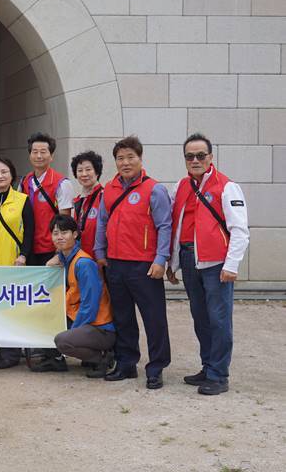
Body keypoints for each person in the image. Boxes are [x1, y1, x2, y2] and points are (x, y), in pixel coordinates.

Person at [167, 133, 249, 396]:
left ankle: (219, 375)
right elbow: (176, 226)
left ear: (211, 157)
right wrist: (172, 263)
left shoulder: (227, 186)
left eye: (200, 155)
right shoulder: (182, 186)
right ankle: (208, 366)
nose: (195, 160)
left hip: (216, 264)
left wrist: (231, 265)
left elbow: (240, 230)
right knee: (201, 318)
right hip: (189, 259)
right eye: (190, 156)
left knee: (219, 319)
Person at [94, 135, 172, 390]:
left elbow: (164, 226)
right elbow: (102, 222)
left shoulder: (154, 189)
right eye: (120, 158)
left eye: (130, 157)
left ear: (140, 158)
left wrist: (161, 259)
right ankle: (126, 363)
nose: (125, 163)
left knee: (154, 319)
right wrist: (100, 251)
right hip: (115, 263)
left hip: (145, 265)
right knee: (123, 317)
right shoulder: (109, 189)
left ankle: (156, 367)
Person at [31, 215, 115, 378]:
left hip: (100, 327)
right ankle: (56, 359)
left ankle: (102, 358)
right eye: (55, 233)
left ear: (75, 234)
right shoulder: (66, 258)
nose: (60, 237)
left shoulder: (83, 264)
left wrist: (73, 332)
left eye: (64, 232)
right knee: (43, 317)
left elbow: (90, 305)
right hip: (82, 320)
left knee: (63, 341)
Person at [0, 156, 34, 369]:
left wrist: (24, 255)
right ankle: (3, 349)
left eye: (4, 172)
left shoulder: (22, 200)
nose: (0, 176)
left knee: (12, 309)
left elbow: (29, 232)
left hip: (13, 264)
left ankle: (11, 354)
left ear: (12, 175)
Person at [19, 132, 74, 266]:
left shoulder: (62, 183)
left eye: (43, 152)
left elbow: (65, 221)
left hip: (51, 250)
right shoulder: (24, 182)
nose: (39, 156)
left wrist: (59, 253)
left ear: (51, 156)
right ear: (30, 155)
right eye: (35, 152)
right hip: (27, 249)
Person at [70, 150, 104, 258]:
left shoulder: (104, 196)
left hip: (99, 258)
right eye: (80, 170)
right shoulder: (77, 200)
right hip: (80, 257)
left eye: (88, 169)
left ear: (97, 172)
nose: (84, 174)